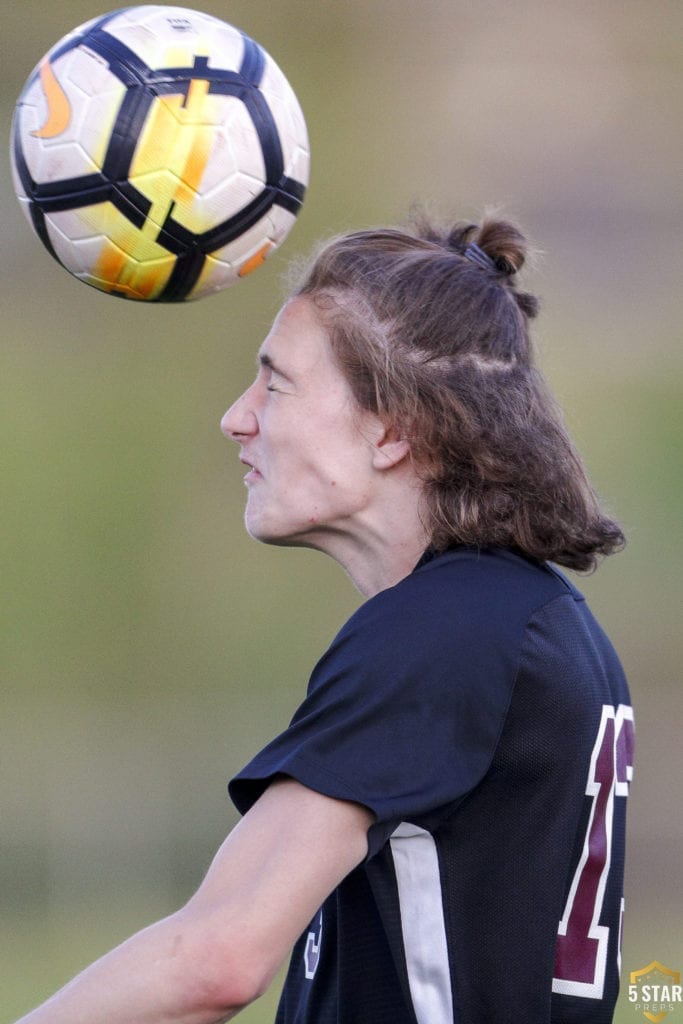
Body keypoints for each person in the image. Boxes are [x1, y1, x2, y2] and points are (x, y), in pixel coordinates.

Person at [15, 212, 634, 1024]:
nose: (238, 418)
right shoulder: (538, 617)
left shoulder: (440, 632)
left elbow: (216, 959)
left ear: (390, 429)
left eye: (275, 382)